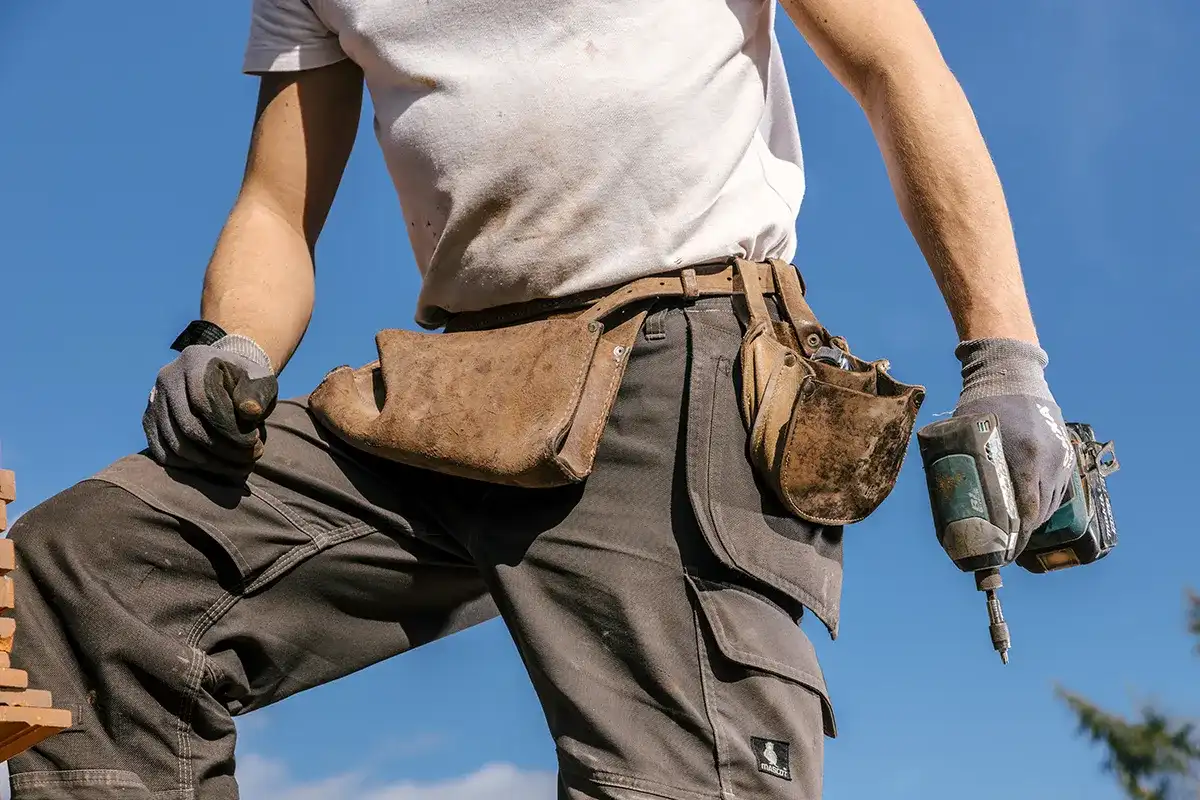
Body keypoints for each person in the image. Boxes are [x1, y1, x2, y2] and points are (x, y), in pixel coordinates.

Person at [6, 0, 1075, 797]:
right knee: (96, 576)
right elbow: (276, 207)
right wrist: (226, 333)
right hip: (457, 387)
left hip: (681, 351)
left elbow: (898, 67)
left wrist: (1005, 356)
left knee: (676, 773)